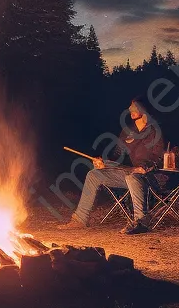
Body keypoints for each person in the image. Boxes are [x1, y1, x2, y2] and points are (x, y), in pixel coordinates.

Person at [59, 99, 166, 233]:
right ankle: (80, 219)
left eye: (134, 106)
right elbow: (117, 154)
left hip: (149, 176)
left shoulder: (154, 131)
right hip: (129, 173)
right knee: (94, 174)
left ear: (143, 109)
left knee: (132, 177)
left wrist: (146, 167)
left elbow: (159, 157)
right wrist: (104, 162)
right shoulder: (128, 131)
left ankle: (140, 222)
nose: (130, 108)